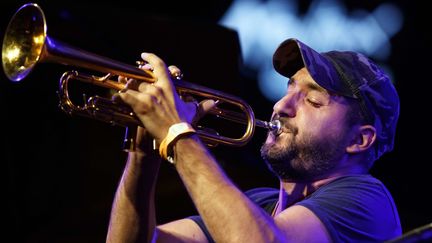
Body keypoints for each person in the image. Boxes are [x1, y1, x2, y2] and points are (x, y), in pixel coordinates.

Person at [105, 38, 402, 242]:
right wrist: (144, 153)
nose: (280, 106)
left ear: (360, 140)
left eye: (313, 100)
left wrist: (177, 131)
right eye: (288, 91)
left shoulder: (366, 200)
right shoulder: (257, 203)